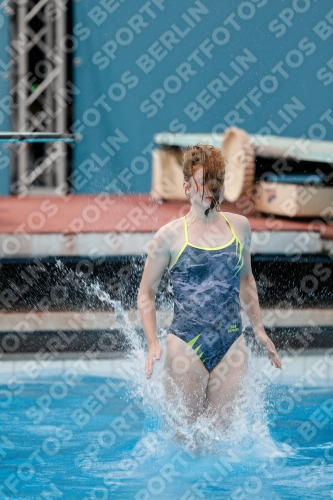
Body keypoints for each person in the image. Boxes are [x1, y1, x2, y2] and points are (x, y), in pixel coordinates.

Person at [137, 144, 282, 427]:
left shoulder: (240, 227)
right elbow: (146, 293)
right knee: (184, 441)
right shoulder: (169, 237)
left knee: (223, 443)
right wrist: (152, 342)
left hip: (232, 345)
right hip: (186, 345)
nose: (210, 191)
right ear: (187, 187)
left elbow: (246, 279)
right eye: (203, 183)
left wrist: (260, 331)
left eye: (217, 183)